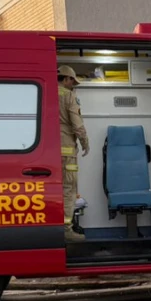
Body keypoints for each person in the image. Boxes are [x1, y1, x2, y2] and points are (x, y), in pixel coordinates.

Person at [58, 65, 90, 243]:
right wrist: (85, 143)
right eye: (72, 81)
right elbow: (77, 124)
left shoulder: (45, 92)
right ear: (66, 79)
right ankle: (66, 230)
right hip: (67, 151)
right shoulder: (69, 96)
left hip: (48, 152)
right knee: (69, 190)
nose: (73, 85)